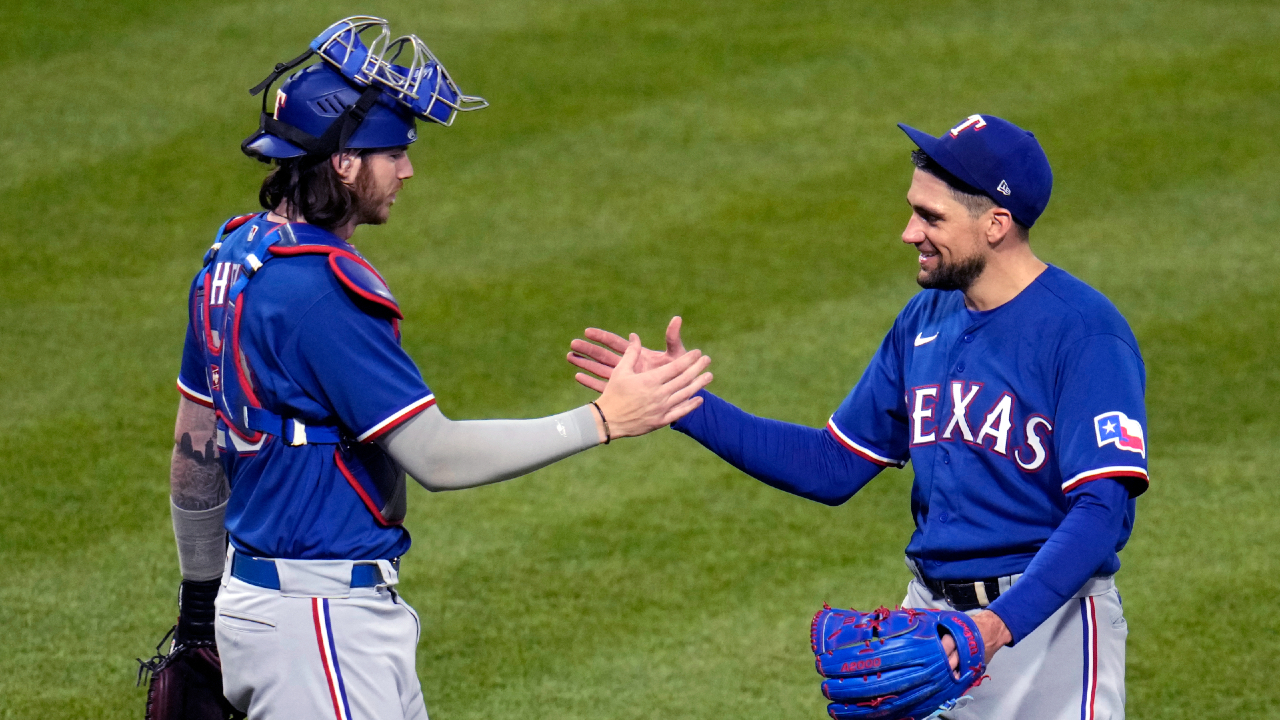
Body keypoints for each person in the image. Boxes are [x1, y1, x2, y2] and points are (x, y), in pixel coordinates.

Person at [162, 17, 712, 720]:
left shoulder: (232, 259)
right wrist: (603, 420)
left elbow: (195, 447)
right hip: (318, 622)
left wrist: (201, 609)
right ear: (343, 161)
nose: (408, 171)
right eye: (394, 152)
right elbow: (436, 456)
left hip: (271, 603)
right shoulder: (317, 292)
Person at [569, 114, 1147, 719]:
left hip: (1044, 628)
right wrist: (683, 404)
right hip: (928, 627)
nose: (908, 232)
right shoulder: (925, 320)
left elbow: (1104, 509)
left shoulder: (1084, 334)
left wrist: (997, 627)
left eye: (931, 217)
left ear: (996, 224)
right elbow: (832, 465)